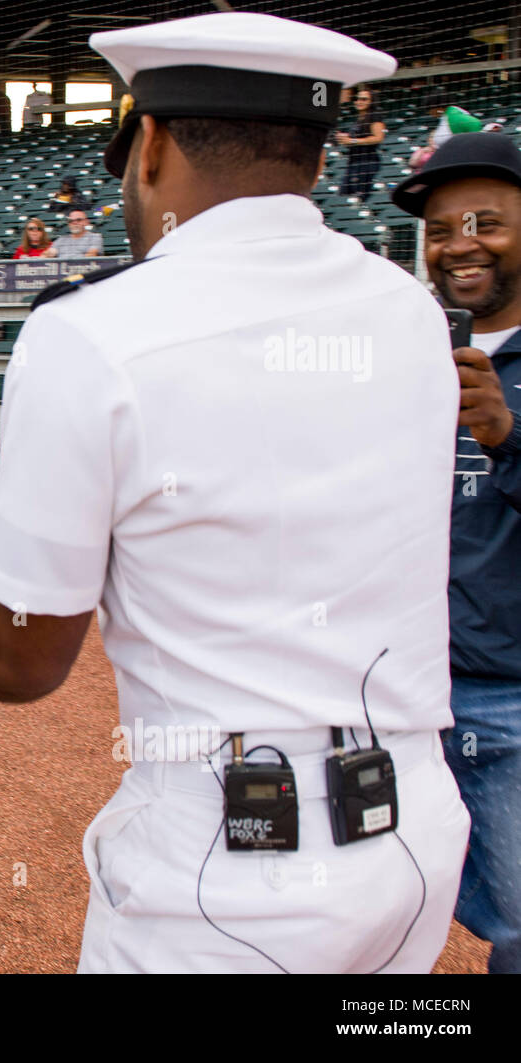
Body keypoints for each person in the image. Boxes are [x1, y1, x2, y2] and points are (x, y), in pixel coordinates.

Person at [0, 11, 470, 974]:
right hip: (414, 829)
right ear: (315, 158)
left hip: (231, 858)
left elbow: (25, 661)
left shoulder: (91, 333)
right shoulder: (408, 309)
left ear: (149, 144)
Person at [392, 133, 521, 974]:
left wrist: (508, 439)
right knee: (389, 910)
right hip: (402, 692)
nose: (459, 242)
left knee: (516, 927)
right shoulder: (402, 358)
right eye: (441, 228)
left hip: (510, 701)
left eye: (486, 222)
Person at [335, 85, 385, 201]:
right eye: (358, 99)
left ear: (372, 101)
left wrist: (352, 140)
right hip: (353, 162)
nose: (359, 102)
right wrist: (345, 139)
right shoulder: (359, 120)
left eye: (364, 99)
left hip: (367, 162)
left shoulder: (375, 117)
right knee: (344, 194)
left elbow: (378, 137)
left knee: (360, 196)